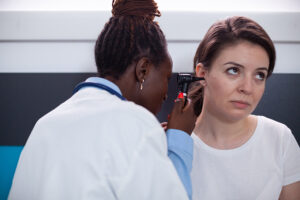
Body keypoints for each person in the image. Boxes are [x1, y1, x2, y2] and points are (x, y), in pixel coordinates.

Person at [8, 0, 196, 199]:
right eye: (166, 78)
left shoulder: (44, 125)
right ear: (143, 70)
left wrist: (148, 142)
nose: (166, 93)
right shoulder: (137, 125)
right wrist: (179, 138)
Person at [188, 16, 300, 200]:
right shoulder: (173, 145)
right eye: (234, 70)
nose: (247, 88)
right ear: (202, 74)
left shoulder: (280, 140)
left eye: (259, 75)